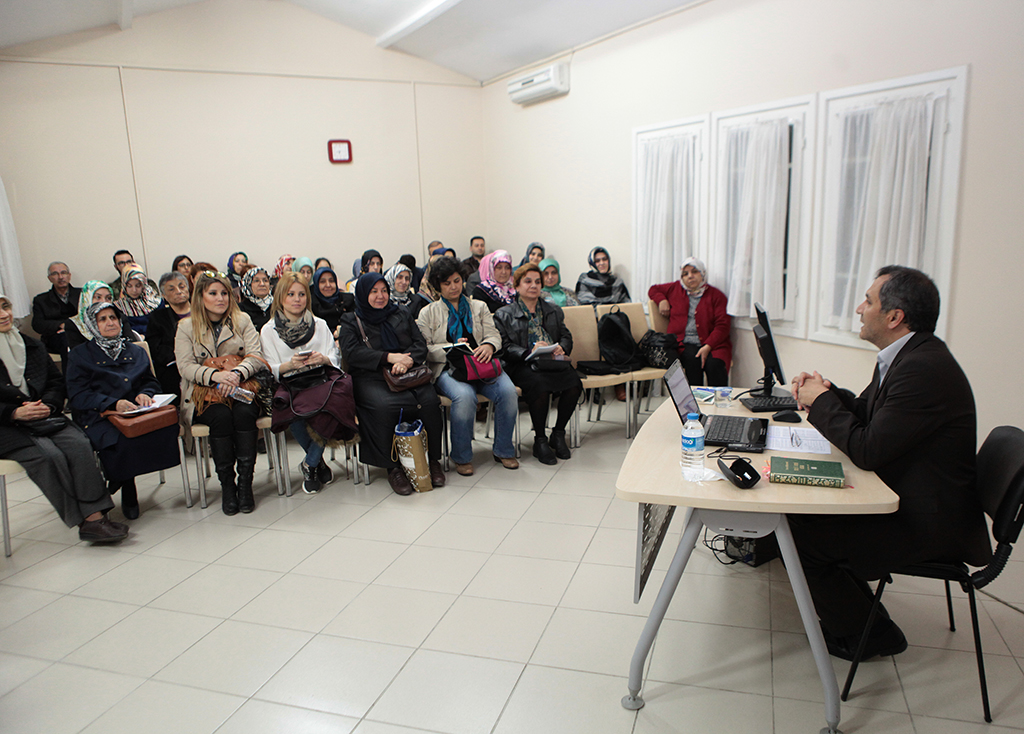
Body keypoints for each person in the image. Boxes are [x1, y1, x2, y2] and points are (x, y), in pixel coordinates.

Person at [789, 266, 991, 661]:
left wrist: (821, 402)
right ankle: (863, 614)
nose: (859, 309)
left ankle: (870, 634)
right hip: (920, 499)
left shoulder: (921, 368)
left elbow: (867, 448)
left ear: (894, 317)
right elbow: (870, 412)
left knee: (801, 535)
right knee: (802, 516)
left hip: (928, 521)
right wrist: (829, 393)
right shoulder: (912, 355)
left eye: (868, 301)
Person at [0, 294, 127, 542]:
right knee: (49, 456)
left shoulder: (30, 345)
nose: (4, 314)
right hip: (6, 425)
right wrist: (13, 412)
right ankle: (87, 519)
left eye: (6, 307)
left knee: (80, 445)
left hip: (44, 415)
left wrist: (48, 405)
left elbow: (55, 381)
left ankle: (96, 514)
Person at [67, 302, 180, 519]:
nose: (110, 322)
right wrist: (111, 403)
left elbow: (150, 381)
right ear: (92, 325)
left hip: (135, 411)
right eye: (103, 319)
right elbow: (78, 394)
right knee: (120, 439)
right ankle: (128, 487)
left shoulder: (134, 350)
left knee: (162, 429)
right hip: (99, 413)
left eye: (113, 317)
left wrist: (145, 393)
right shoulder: (81, 355)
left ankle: (120, 476)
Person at [337, 273, 446, 495]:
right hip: (371, 376)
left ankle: (432, 460)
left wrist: (405, 362)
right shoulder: (351, 320)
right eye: (374, 291)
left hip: (408, 372)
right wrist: (389, 358)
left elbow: (419, 345)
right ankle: (393, 467)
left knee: (428, 402)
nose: (380, 296)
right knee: (387, 406)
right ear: (363, 294)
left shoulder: (401, 313)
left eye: (384, 291)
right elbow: (352, 353)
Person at [175, 271, 267, 515]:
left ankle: (245, 484)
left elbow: (256, 356)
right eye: (213, 293)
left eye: (225, 293)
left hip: (240, 385)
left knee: (245, 414)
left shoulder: (243, 320)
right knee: (221, 417)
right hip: (204, 392)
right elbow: (185, 366)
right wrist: (216, 376)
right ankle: (228, 485)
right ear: (200, 297)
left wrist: (235, 374)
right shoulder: (186, 326)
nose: (220, 298)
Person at [417, 257, 519, 475]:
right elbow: (424, 348)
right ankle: (461, 456)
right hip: (448, 369)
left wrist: (489, 346)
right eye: (447, 283)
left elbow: (494, 334)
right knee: (465, 397)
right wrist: (451, 346)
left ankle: (503, 449)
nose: (453, 287)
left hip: (481, 364)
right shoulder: (428, 312)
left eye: (456, 281)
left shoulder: (479, 307)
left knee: (509, 392)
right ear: (438, 286)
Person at [260, 272, 341, 493]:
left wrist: (322, 359)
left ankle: (310, 463)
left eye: (302, 294)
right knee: (290, 408)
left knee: (336, 402)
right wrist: (290, 365)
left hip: (320, 379)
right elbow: (271, 368)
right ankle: (317, 463)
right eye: (291, 294)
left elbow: (334, 358)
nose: (297, 299)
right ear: (281, 298)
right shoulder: (269, 330)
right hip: (290, 382)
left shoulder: (320, 324)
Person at [494, 264, 583, 465]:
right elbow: (505, 347)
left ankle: (558, 433)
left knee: (574, 383)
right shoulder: (504, 314)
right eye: (527, 281)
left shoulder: (552, 310)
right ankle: (540, 439)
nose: (533, 286)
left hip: (552, 361)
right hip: (522, 364)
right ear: (516, 286)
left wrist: (562, 347)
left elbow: (565, 335)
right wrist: (529, 352)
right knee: (540, 386)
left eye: (537, 282)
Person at [648, 257, 731, 387]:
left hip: (713, 344)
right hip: (684, 343)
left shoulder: (716, 296)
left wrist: (708, 346)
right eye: (685, 274)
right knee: (693, 360)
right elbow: (653, 289)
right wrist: (662, 300)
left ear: (702, 273)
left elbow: (723, 326)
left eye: (694, 272)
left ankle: (718, 404)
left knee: (715, 364)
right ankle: (694, 403)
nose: (690, 276)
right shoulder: (675, 288)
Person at [146, 272, 191, 397]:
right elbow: (156, 349)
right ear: (164, 295)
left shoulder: (202, 312)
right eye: (171, 289)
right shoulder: (157, 318)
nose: (178, 291)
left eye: (182, 286)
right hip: (174, 367)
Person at [64, 280, 134, 358]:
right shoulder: (75, 324)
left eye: (108, 298)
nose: (104, 302)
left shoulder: (118, 317)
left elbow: (132, 345)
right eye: (98, 297)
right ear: (87, 298)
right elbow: (78, 355)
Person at [31, 261, 80, 357]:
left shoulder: (82, 294)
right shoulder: (41, 300)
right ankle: (70, 372)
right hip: (55, 337)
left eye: (63, 273)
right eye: (55, 274)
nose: (60, 277)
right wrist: (61, 325)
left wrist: (70, 327)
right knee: (66, 341)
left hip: (79, 332)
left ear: (69, 276)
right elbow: (37, 324)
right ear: (49, 278)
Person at [114, 264, 163, 336]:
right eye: (129, 286)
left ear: (144, 284)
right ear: (124, 285)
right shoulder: (118, 307)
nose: (134, 290)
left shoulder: (156, 302)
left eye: (138, 286)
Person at [310, 265, 354, 336]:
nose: (328, 285)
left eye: (331, 281)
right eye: (322, 281)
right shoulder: (312, 305)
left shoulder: (348, 300)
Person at [238, 266, 274, 332]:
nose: (262, 284)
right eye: (256, 281)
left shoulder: (277, 305)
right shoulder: (240, 309)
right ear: (248, 284)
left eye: (265, 280)